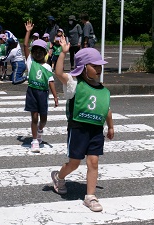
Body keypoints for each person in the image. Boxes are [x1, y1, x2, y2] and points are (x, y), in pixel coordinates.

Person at [51, 36, 114, 212]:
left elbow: (106, 108)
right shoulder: (73, 84)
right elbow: (58, 73)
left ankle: (90, 196)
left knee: (93, 162)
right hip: (78, 129)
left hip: (96, 130)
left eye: (100, 65)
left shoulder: (102, 89)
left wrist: (110, 125)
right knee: (74, 163)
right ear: (84, 67)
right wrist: (63, 53)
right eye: (94, 66)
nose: (99, 69)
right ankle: (59, 177)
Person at [24, 21, 59, 153]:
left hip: (43, 94)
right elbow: (25, 45)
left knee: (43, 119)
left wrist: (55, 97)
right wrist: (28, 31)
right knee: (34, 117)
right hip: (32, 92)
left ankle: (40, 130)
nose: (37, 53)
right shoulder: (30, 62)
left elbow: (51, 82)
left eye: (40, 51)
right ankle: (34, 140)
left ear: (45, 53)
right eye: (35, 50)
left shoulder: (48, 67)